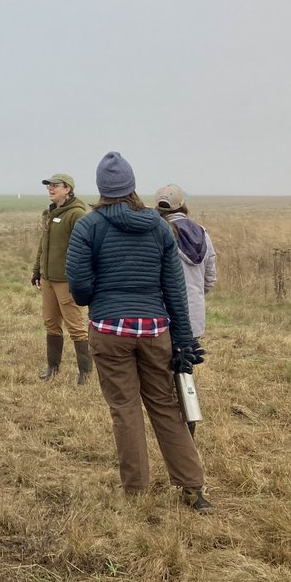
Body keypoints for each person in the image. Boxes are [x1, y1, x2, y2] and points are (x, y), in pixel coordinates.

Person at [65, 152, 212, 513]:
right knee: (165, 407)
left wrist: (105, 289)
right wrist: (183, 341)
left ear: (101, 189)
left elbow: (80, 289)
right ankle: (193, 489)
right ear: (132, 186)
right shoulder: (160, 227)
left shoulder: (89, 226)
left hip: (109, 331)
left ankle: (136, 492)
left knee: (125, 409)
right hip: (155, 331)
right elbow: (175, 290)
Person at [31, 172, 92, 383]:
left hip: (67, 280)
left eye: (55, 185)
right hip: (48, 279)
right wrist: (37, 271)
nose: (50, 188)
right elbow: (44, 245)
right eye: (48, 185)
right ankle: (52, 367)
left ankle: (85, 372)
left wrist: (79, 277)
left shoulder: (76, 215)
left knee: (75, 325)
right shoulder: (50, 213)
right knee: (50, 323)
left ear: (67, 189)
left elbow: (85, 249)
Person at [154, 185, 217, 341]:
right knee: (186, 362)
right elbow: (209, 279)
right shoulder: (202, 233)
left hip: (162, 315)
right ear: (182, 205)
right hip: (193, 316)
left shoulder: (157, 234)